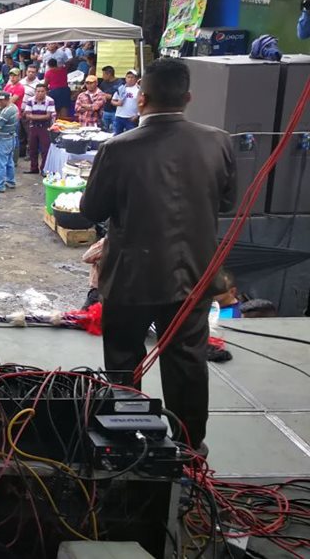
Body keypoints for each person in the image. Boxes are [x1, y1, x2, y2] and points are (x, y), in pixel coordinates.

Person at [80, 58, 236, 453]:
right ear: (187, 98)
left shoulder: (118, 148)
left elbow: (91, 210)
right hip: (194, 276)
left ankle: (126, 445)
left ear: (142, 98)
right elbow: (228, 201)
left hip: (132, 276)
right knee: (187, 362)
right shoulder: (219, 140)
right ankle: (188, 448)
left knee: (123, 362)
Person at [23, 83, 56, 174]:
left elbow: (48, 117)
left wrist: (33, 116)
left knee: (45, 150)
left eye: (42, 91)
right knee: (32, 148)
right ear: (35, 92)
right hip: (33, 127)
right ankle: (33, 168)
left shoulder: (50, 100)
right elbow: (27, 115)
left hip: (45, 127)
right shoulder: (30, 100)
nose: (40, 93)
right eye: (38, 91)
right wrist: (41, 116)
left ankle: (44, 169)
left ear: (46, 92)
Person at [111, 69, 141, 135]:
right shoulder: (121, 88)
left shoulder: (139, 90)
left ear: (136, 79)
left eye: (132, 77)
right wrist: (118, 103)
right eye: (128, 77)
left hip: (131, 118)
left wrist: (137, 115)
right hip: (119, 117)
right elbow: (113, 100)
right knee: (117, 136)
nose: (130, 79)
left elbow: (141, 104)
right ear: (125, 78)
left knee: (131, 137)